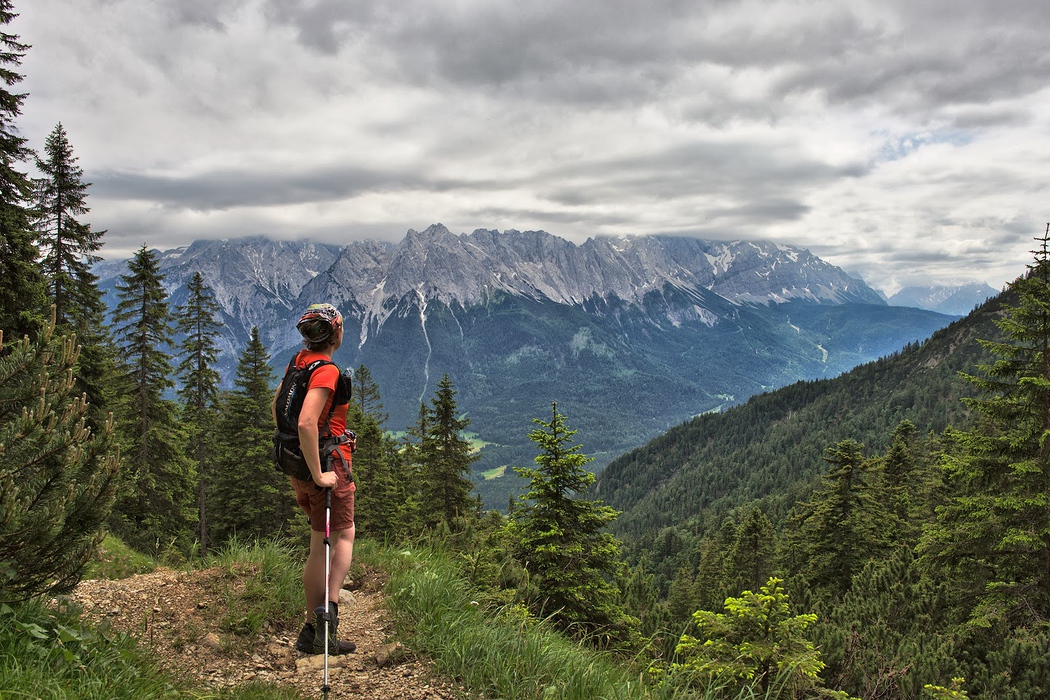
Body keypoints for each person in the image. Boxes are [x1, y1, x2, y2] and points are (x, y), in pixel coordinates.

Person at [274, 303, 357, 655]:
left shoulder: (298, 362)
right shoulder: (326, 371)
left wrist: (302, 459)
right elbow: (307, 422)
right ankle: (317, 627)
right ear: (335, 333)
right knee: (324, 547)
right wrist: (320, 472)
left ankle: (324, 616)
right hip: (325, 466)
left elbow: (277, 405)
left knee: (340, 535)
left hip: (298, 464)